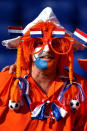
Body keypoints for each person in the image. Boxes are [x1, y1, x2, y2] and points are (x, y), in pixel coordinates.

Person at [0, 7, 87, 131]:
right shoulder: (4, 83)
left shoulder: (81, 88)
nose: (47, 50)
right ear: (27, 49)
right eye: (38, 43)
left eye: (55, 43)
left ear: (62, 51)